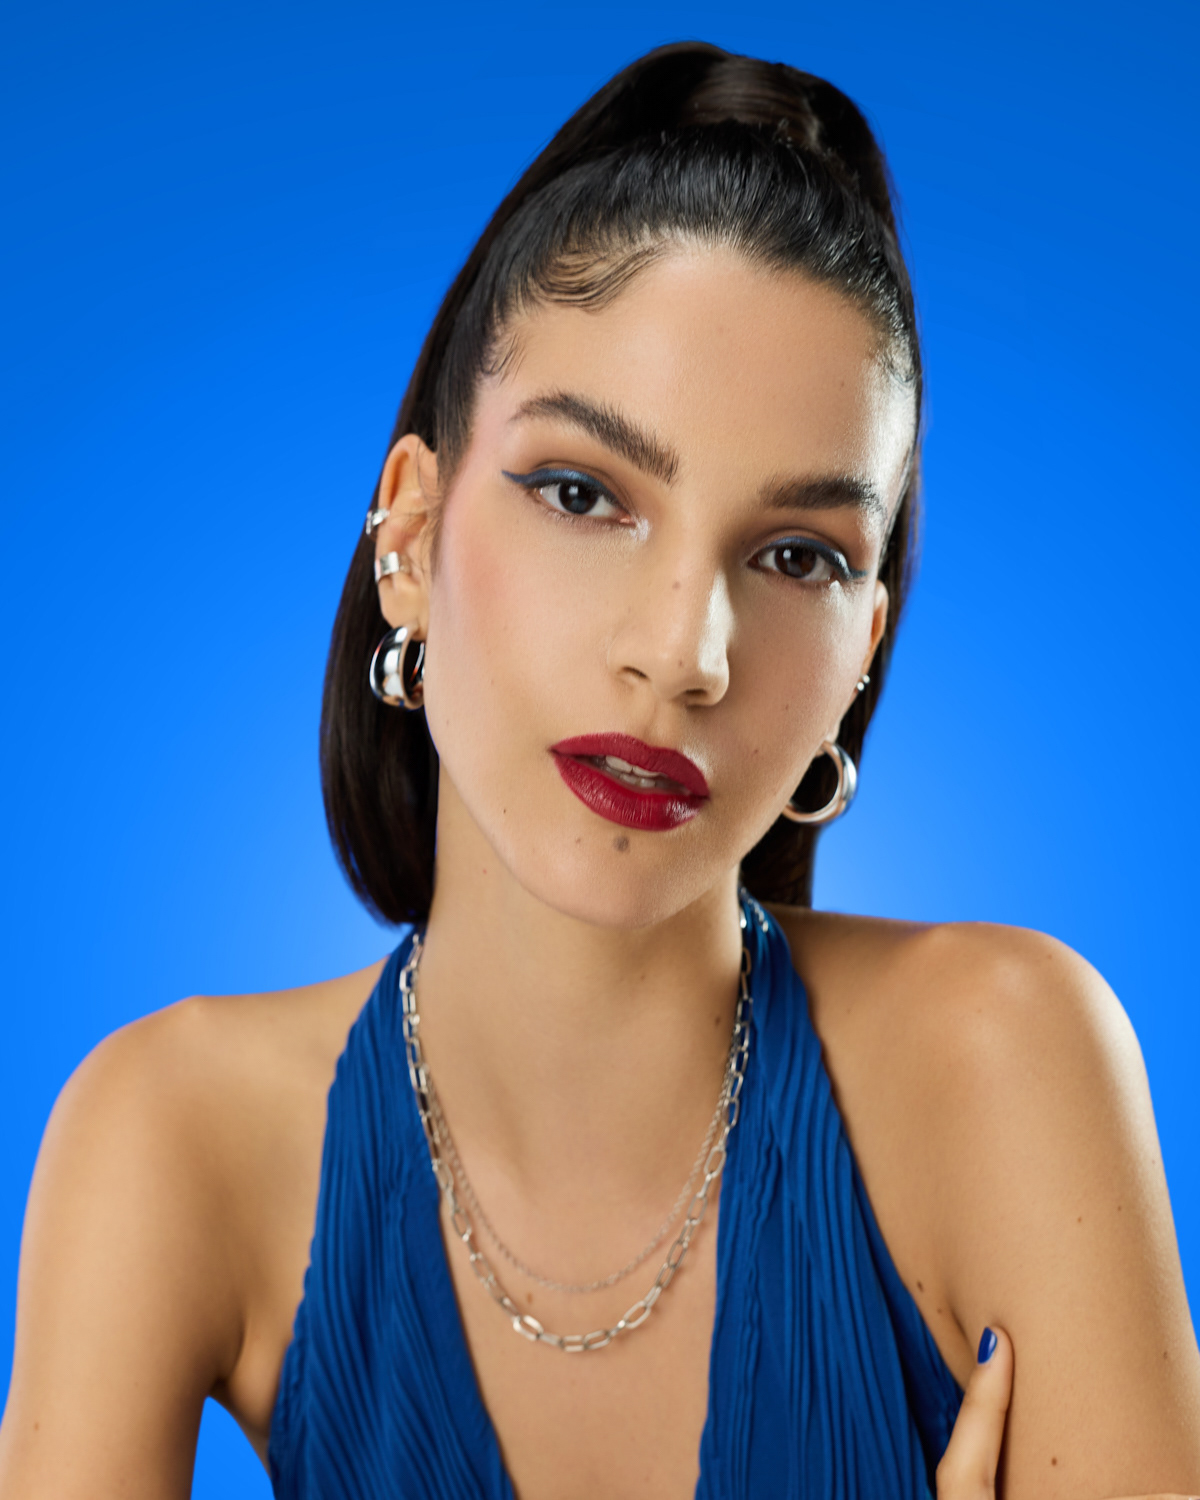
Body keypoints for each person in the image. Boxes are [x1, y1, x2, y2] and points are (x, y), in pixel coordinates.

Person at [0, 40, 1197, 1500]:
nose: (685, 652)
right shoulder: (171, 1140)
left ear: (864, 648)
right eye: (582, 493)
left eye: (796, 557)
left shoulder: (1006, 1061)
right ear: (407, 537)